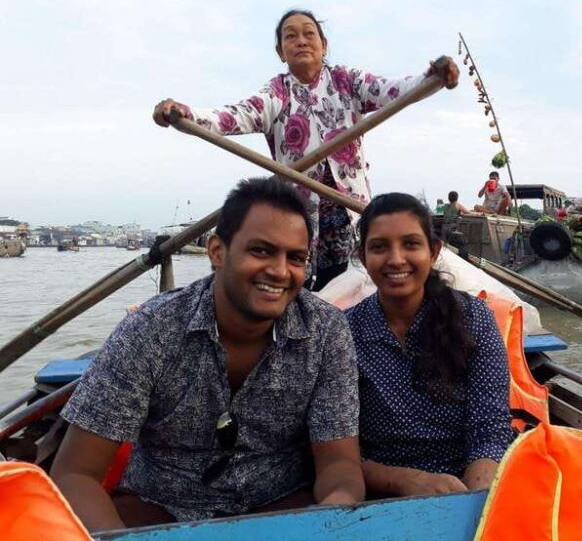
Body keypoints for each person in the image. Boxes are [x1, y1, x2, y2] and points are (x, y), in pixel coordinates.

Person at [51, 178, 364, 532]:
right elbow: (75, 474)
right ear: (217, 251)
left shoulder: (326, 332)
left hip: (282, 506)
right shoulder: (150, 330)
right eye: (261, 251)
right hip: (161, 508)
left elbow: (339, 465)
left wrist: (331, 514)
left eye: (295, 258)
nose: (280, 271)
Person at [152, 9, 459, 291]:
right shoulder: (277, 92)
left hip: (349, 212)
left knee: (354, 287)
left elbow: (395, 91)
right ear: (280, 51)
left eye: (309, 34)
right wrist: (184, 115)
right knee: (302, 290)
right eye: (290, 36)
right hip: (298, 219)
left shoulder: (347, 81)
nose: (301, 41)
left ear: (323, 45)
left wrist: (433, 78)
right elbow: (232, 116)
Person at [346, 193, 514, 497]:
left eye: (411, 244)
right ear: (362, 257)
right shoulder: (344, 331)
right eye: (380, 247)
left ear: (433, 251)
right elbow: (336, 448)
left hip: (467, 483)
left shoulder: (473, 318)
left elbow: (489, 428)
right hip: (376, 492)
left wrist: (471, 502)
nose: (396, 259)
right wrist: (404, 481)